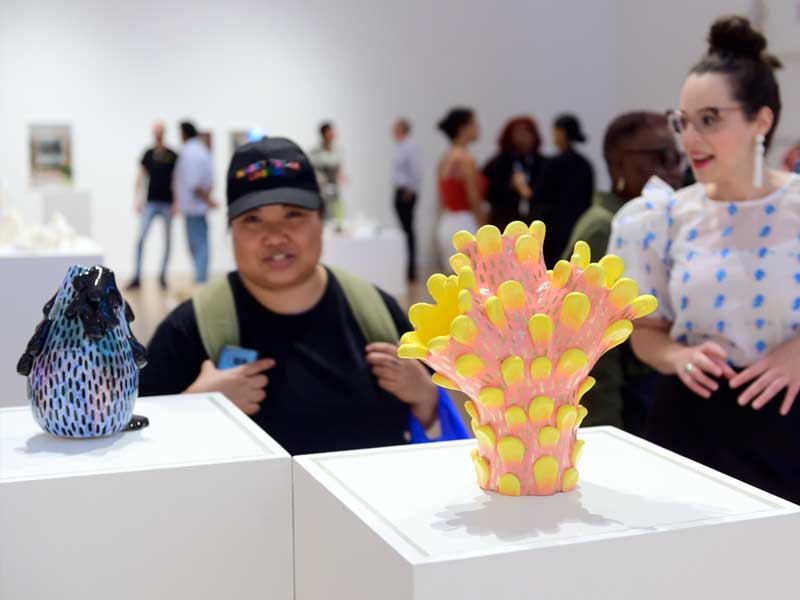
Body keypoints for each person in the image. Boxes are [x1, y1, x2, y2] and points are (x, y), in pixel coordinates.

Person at [139, 137, 441, 455]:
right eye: (253, 219)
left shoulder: (376, 311)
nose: (274, 236)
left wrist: (426, 395)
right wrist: (196, 409)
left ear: (320, 219)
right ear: (232, 230)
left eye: (294, 214)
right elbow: (137, 450)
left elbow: (445, 443)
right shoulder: (189, 329)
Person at [610, 16, 800, 502]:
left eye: (710, 120)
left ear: (762, 120)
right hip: (691, 428)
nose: (689, 138)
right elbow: (645, 331)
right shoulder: (660, 218)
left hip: (790, 429)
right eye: (683, 122)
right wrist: (678, 355)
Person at [562, 112, 683, 433]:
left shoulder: (651, 224)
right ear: (618, 163)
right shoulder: (605, 228)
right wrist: (606, 434)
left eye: (677, 157)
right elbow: (593, 351)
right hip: (627, 410)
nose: (674, 168)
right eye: (659, 157)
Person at [532, 113, 594, 267]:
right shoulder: (585, 165)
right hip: (578, 226)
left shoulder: (553, 164)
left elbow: (538, 196)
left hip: (552, 230)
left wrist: (521, 188)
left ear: (561, 132)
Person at [128, 122, 177, 290]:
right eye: (155, 132)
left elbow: (176, 179)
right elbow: (140, 176)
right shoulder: (148, 154)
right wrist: (137, 198)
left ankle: (162, 276)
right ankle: (137, 276)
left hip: (167, 203)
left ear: (164, 133)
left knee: (168, 241)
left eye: (160, 132)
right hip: (150, 202)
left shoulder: (172, 155)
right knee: (141, 238)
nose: (158, 134)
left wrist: (176, 202)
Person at [436, 107, 487, 265]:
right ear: (462, 128)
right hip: (466, 224)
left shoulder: (445, 158)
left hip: (447, 223)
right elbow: (474, 199)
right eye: (474, 123)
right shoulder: (465, 159)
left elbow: (441, 199)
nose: (478, 128)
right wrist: (485, 228)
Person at [483, 116, 546, 230]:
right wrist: (510, 185)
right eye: (518, 132)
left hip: (535, 223)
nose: (522, 138)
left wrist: (526, 190)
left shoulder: (543, 163)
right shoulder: (498, 163)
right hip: (504, 222)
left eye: (527, 132)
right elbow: (488, 194)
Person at [173, 121, 216, 283]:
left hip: (194, 206)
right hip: (196, 206)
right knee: (200, 243)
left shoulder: (188, 152)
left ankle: (200, 279)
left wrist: (208, 200)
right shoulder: (202, 150)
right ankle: (200, 277)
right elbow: (208, 180)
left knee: (197, 245)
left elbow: (194, 183)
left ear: (184, 134)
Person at [391, 118, 421, 283]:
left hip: (406, 193)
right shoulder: (400, 147)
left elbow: (415, 170)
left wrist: (411, 190)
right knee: (405, 231)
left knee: (408, 231)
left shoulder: (410, 147)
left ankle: (411, 270)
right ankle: (407, 267)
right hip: (400, 191)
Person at [309, 122, 343, 220]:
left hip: (334, 186)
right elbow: (313, 168)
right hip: (322, 188)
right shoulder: (315, 151)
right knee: (324, 213)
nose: (332, 134)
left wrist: (340, 175)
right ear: (324, 134)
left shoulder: (337, 150)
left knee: (338, 212)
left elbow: (339, 167)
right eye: (330, 132)